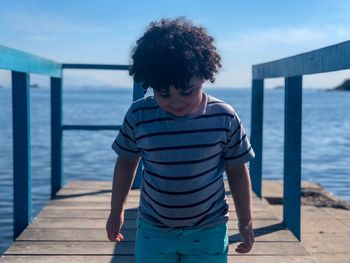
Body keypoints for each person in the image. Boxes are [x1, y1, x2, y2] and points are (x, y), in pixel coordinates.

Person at [106, 17, 255, 262]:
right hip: (154, 229)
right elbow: (126, 162)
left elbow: (237, 169)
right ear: (150, 83)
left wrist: (246, 219)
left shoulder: (224, 117)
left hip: (209, 229)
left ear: (205, 76)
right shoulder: (139, 114)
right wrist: (116, 211)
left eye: (187, 92)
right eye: (163, 93)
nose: (176, 102)